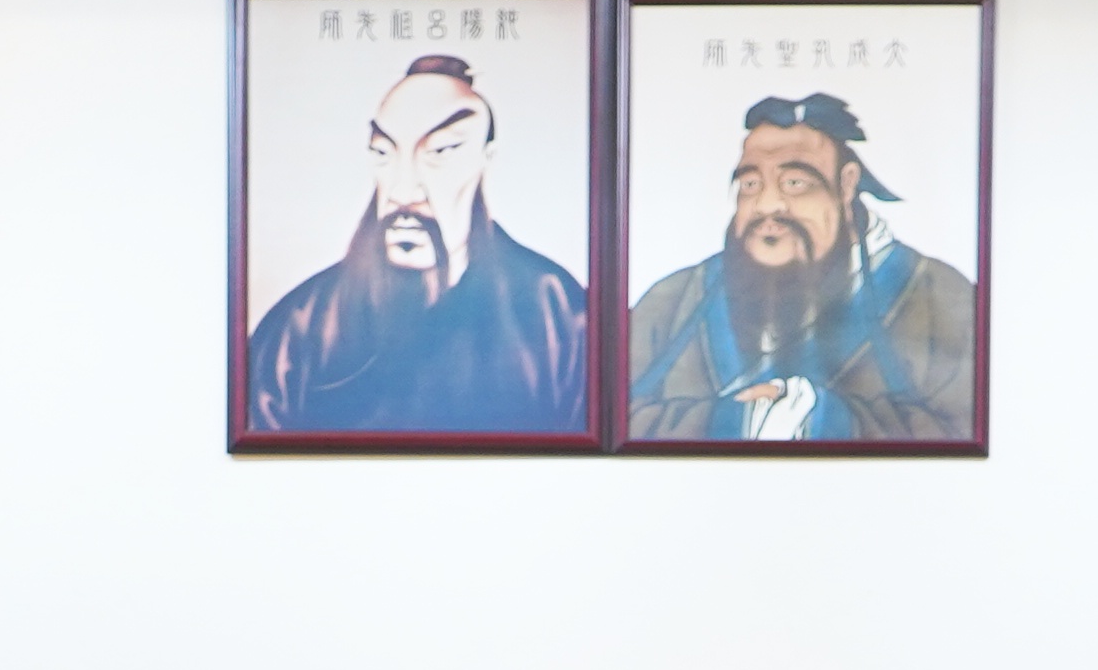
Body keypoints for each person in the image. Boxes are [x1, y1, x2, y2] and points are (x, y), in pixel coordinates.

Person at [243, 52, 592, 437]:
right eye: (384, 152)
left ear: (485, 158)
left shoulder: (558, 310)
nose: (404, 190)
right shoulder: (301, 323)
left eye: (441, 151)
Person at [619, 88, 980, 443]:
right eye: (750, 183)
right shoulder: (672, 301)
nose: (766, 205)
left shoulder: (940, 295)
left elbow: (966, 430)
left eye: (795, 183)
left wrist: (818, 417)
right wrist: (737, 420)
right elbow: (618, 418)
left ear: (846, 184)